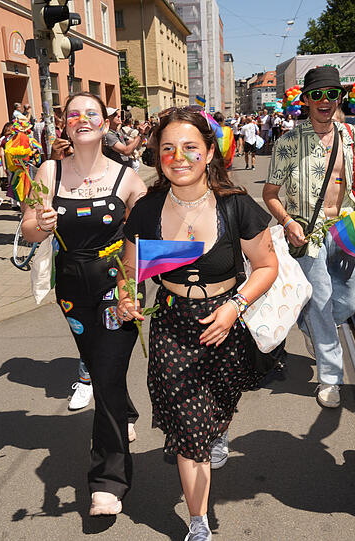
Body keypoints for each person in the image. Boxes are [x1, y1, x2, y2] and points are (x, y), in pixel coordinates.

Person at [118, 108, 278, 541]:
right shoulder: (148, 209)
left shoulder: (236, 205)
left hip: (227, 318)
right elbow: (128, 272)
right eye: (168, 149)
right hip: (173, 324)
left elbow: (266, 266)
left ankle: (216, 431)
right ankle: (199, 523)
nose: (179, 157)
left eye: (190, 148)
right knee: (191, 431)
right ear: (157, 156)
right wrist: (126, 299)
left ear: (209, 152)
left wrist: (234, 308)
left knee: (220, 404)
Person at [21, 92, 148, 516]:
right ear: (65, 123)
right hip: (71, 288)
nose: (82, 119)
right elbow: (27, 229)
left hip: (117, 286)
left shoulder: (128, 178)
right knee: (97, 366)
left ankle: (108, 480)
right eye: (74, 114)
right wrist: (39, 223)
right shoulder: (49, 171)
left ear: (106, 121)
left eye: (91, 113)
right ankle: (125, 411)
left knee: (106, 377)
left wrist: (136, 283)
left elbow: (148, 237)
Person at [263, 66, 355, 409]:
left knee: (348, 303)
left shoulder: (351, 137)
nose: (325, 101)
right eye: (317, 94)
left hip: (344, 231)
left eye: (331, 94)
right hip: (306, 235)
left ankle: (311, 326)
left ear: (340, 97)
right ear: (306, 100)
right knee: (324, 305)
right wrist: (286, 221)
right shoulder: (288, 142)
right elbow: (270, 193)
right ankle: (330, 377)